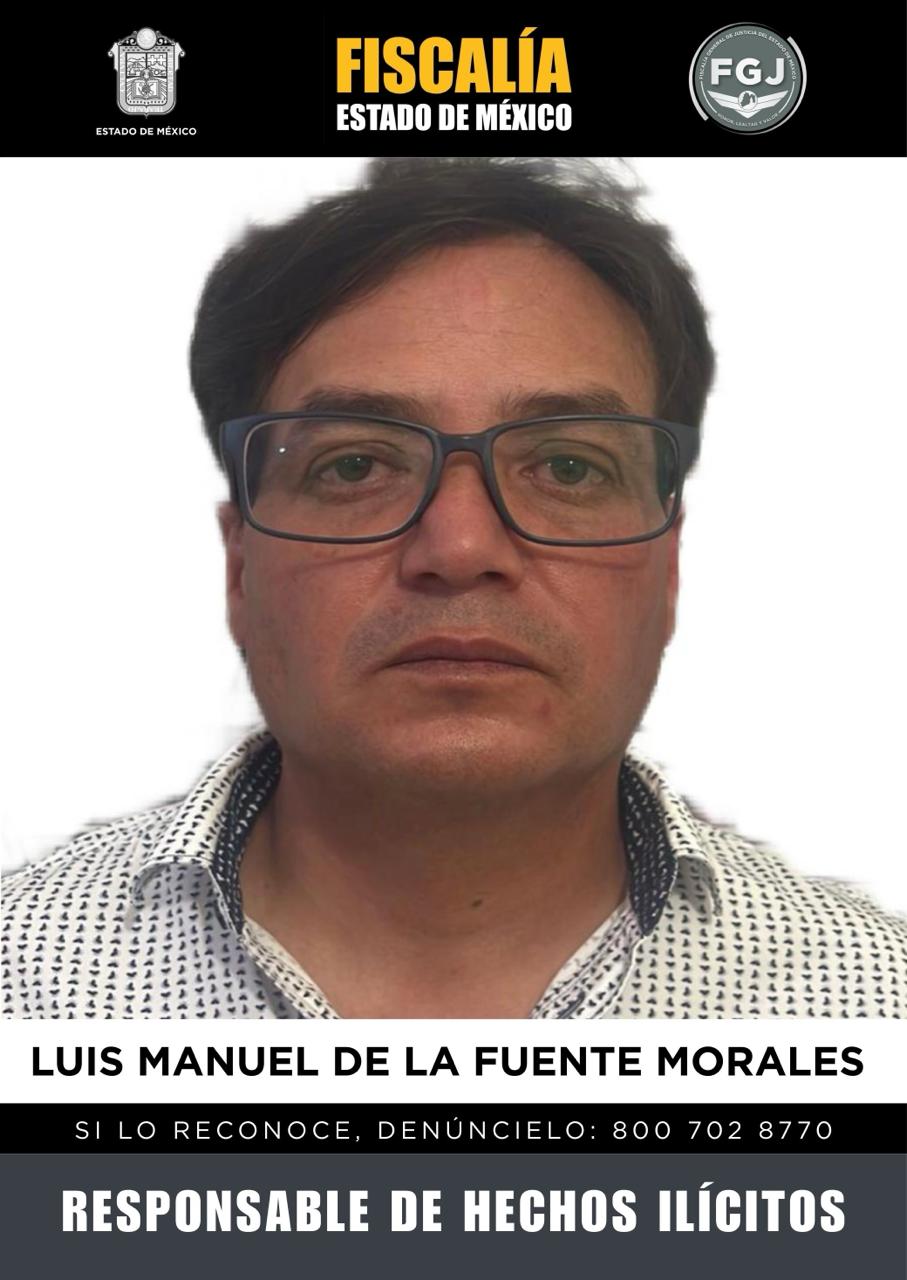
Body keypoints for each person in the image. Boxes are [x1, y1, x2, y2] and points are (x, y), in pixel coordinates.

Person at [3, 156, 905, 1019]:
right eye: (354, 465)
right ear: (240, 566)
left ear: (667, 567)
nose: (462, 546)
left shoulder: (873, 1001)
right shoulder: (24, 980)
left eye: (568, 466)